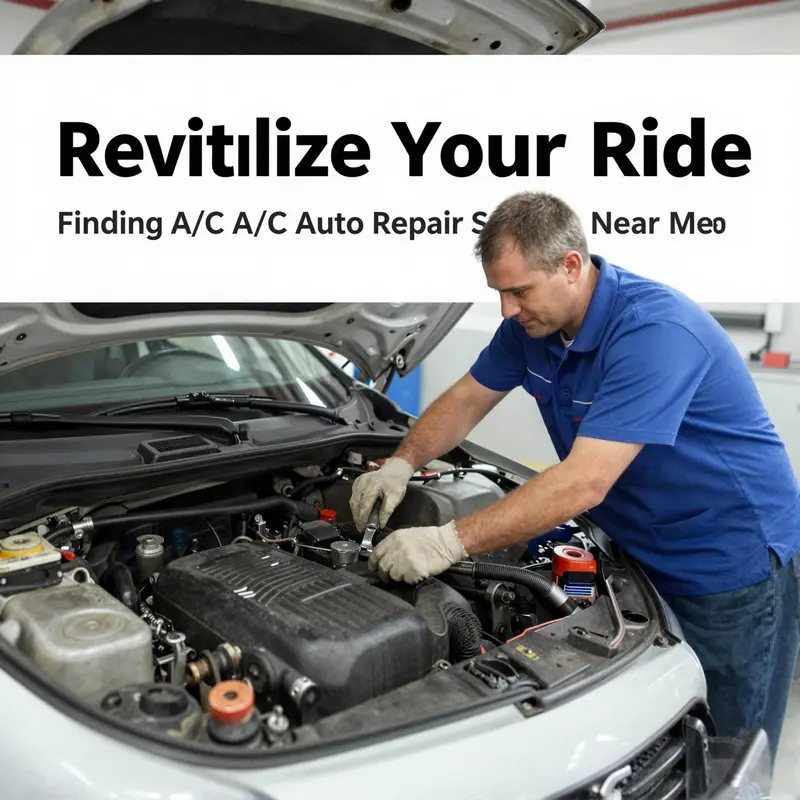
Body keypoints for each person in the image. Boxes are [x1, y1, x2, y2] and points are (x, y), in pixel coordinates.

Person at [349, 190, 800, 766]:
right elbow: (465, 400)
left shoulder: (654, 331)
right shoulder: (531, 328)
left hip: (723, 557)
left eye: (518, 291)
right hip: (636, 541)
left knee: (722, 742)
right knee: (651, 725)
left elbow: (584, 481)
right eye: (499, 294)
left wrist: (446, 541)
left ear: (570, 265)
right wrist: (401, 462)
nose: (508, 310)